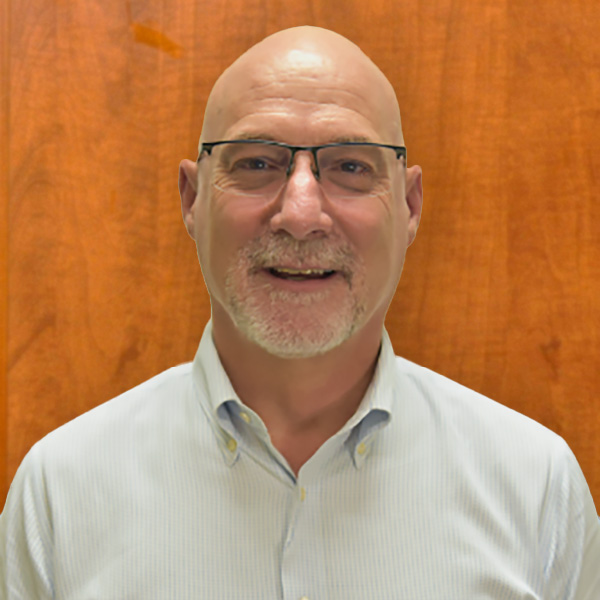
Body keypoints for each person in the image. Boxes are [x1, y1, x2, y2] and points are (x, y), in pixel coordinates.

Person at [1, 25, 599, 600]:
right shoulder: (60, 493)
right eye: (256, 163)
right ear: (192, 198)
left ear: (410, 205)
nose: (301, 214)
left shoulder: (536, 489)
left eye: (351, 166)